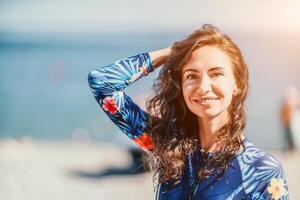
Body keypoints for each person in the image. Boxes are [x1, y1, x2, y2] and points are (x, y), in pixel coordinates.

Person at [88, 24, 289, 199]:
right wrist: (173, 52)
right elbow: (102, 83)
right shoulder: (167, 144)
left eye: (216, 74)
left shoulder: (261, 171)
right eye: (192, 76)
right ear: (181, 86)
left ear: (236, 84)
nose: (203, 86)